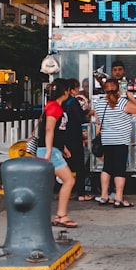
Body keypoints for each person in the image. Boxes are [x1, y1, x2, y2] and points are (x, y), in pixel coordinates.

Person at [92, 77, 136, 208]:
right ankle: (119, 198)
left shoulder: (99, 104)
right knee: (119, 169)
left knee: (107, 167)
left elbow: (97, 120)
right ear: (118, 89)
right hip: (121, 140)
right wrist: (131, 97)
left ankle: (104, 196)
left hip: (107, 140)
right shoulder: (123, 103)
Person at [38, 78, 80, 228]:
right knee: (69, 180)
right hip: (49, 150)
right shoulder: (54, 107)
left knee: (48, 184)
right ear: (65, 91)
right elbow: (49, 129)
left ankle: (45, 216)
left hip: (53, 149)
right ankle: (61, 215)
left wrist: (63, 147)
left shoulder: (53, 106)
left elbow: (56, 131)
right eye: (69, 89)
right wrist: (50, 150)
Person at [63, 78, 94, 201]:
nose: (78, 90)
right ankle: (80, 193)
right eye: (76, 88)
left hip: (65, 136)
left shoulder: (63, 102)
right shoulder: (73, 102)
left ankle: (69, 190)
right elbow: (81, 118)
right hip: (74, 136)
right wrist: (89, 114)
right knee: (80, 166)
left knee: (68, 165)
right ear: (71, 90)